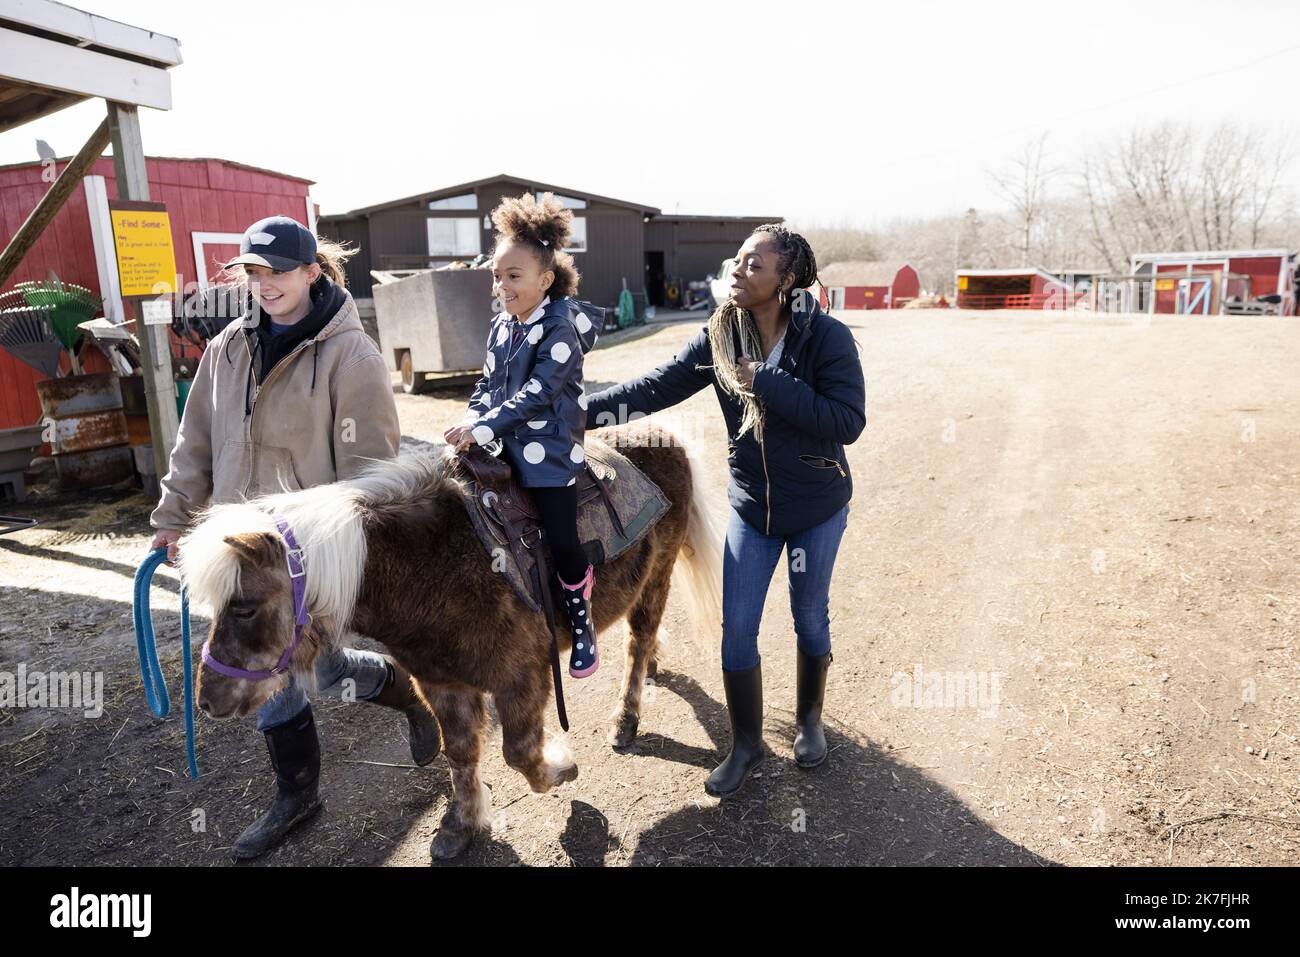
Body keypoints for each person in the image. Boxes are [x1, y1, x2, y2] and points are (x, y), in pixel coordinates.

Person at [150, 215, 441, 858]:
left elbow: (371, 473)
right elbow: (194, 440)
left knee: (326, 670)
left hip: (307, 557)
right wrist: (173, 516)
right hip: (240, 553)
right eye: (253, 272)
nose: (264, 284)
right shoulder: (228, 347)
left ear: (312, 271)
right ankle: (297, 795)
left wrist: (341, 556)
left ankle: (413, 698)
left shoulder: (351, 355)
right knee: (268, 661)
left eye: (277, 271)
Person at [584, 225, 866, 796]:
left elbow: (847, 421)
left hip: (816, 506)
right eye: (736, 260)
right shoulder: (720, 334)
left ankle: (809, 724)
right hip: (754, 509)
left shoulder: (825, 338)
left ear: (786, 280)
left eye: (753, 264)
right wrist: (578, 414)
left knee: (809, 617)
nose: (736, 270)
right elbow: (655, 386)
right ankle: (746, 746)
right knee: (737, 628)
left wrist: (768, 383)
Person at [443, 193, 601, 676]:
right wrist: (473, 419)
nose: (502, 285)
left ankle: (581, 622)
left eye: (513, 276)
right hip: (502, 440)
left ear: (544, 280)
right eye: (496, 275)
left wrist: (483, 424)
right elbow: (488, 384)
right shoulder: (500, 326)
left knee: (562, 537)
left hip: (549, 451)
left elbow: (538, 393)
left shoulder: (559, 329)